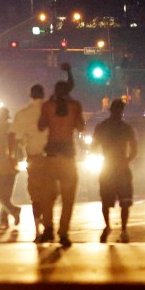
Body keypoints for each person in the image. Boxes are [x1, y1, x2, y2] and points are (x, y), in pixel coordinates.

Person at [38, 69, 85, 248]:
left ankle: (48, 227)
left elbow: (41, 126)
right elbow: (80, 127)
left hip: (50, 156)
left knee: (47, 196)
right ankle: (63, 232)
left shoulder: (47, 107)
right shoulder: (75, 107)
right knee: (68, 198)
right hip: (68, 156)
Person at [92, 99, 138, 243]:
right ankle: (123, 230)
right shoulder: (125, 128)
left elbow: (93, 147)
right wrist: (127, 159)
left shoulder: (102, 127)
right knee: (123, 201)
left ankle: (109, 227)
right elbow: (134, 148)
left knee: (107, 201)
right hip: (120, 166)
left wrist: (104, 155)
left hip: (109, 166)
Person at [10, 83, 49, 240]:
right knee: (49, 193)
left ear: (30, 95)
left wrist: (11, 156)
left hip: (33, 158)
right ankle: (49, 225)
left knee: (35, 195)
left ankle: (38, 229)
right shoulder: (51, 110)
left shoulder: (23, 114)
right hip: (52, 158)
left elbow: (12, 135)